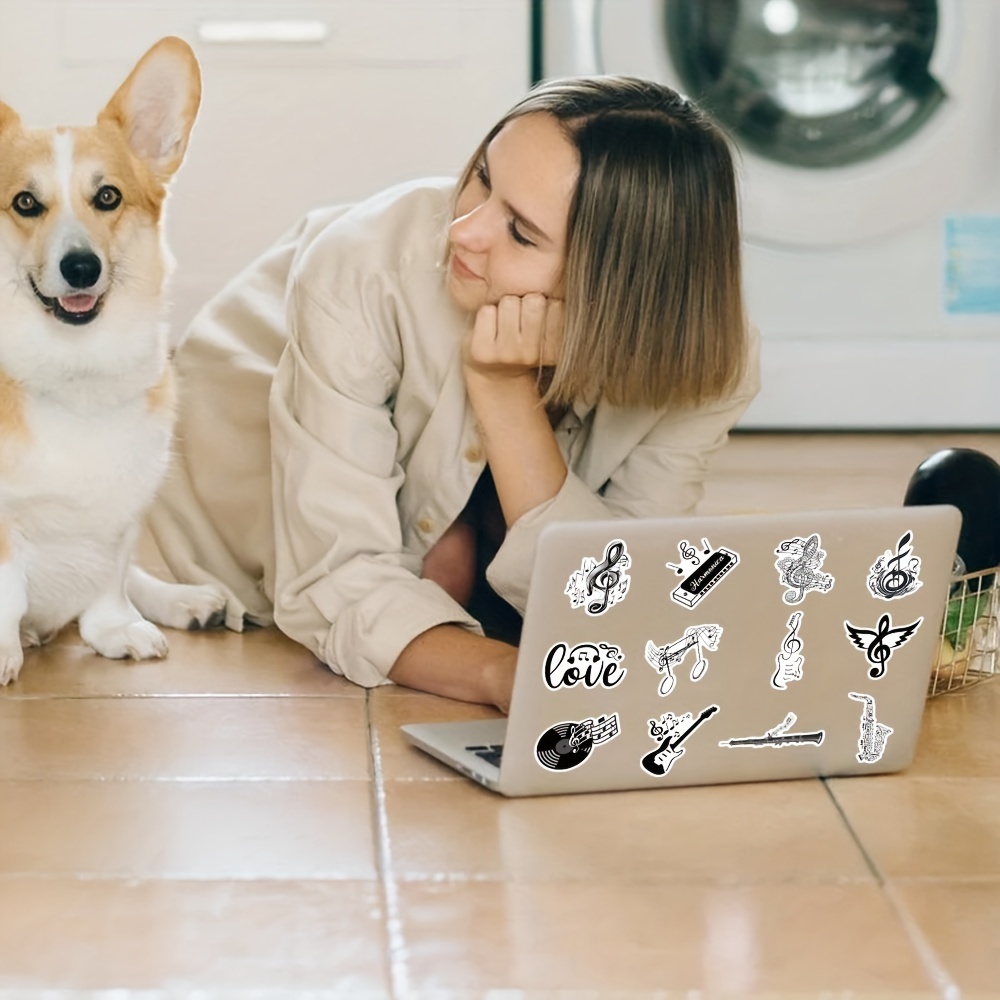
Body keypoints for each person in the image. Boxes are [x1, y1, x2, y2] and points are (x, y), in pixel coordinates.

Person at [142, 75, 760, 712]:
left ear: (620, 283)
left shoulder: (710, 359)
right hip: (238, 447)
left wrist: (504, 391)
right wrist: (504, 677)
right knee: (438, 569)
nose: (464, 229)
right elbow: (337, 576)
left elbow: (622, 600)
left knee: (458, 568)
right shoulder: (363, 266)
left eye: (521, 233)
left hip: (462, 470)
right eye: (484, 177)